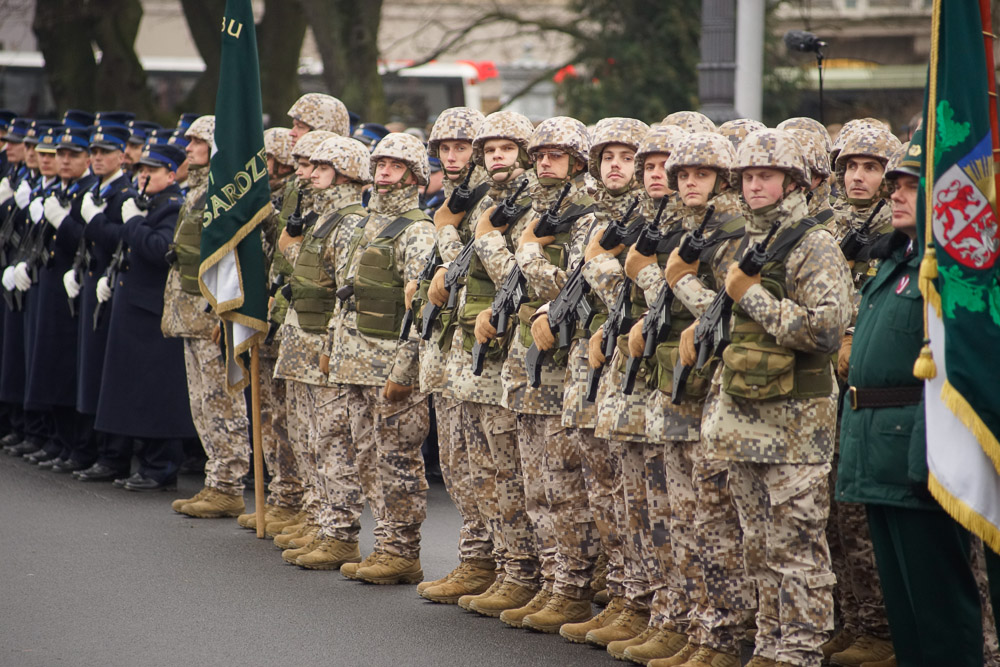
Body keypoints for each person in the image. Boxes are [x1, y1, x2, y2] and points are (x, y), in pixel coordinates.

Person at [689, 129, 852, 667]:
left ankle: (800, 651)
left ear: (793, 182)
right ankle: (769, 643)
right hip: (742, 419)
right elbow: (725, 316)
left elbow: (827, 331)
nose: (756, 185)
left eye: (767, 176)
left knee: (796, 547)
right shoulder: (746, 243)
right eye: (749, 177)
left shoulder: (813, 243)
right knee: (757, 544)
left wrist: (752, 295)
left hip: (797, 425)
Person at [836, 139, 985, 667]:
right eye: (895, 184)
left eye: (909, 184)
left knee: (939, 606)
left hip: (920, 453)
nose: (897, 194)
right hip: (880, 451)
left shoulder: (951, 269)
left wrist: (929, 451)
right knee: (905, 614)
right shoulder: (898, 261)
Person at [335, 132, 435, 585]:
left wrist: (406, 369)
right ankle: (385, 544)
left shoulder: (417, 231)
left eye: (395, 167)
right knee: (368, 456)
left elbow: (420, 307)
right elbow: (347, 296)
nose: (383, 174)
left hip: (391, 366)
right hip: (356, 360)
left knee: (398, 459)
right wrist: (334, 352)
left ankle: (402, 550)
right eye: (380, 165)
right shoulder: (364, 225)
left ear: (414, 177)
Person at [411, 106, 498, 603]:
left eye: (462, 147)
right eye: (444, 148)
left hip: (478, 351)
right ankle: (474, 559)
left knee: (485, 468)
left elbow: (474, 268)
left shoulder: (489, 200)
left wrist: (445, 229)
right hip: (449, 350)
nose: (452, 156)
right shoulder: (453, 198)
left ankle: (496, 565)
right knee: (458, 465)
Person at [273, 135, 370, 570]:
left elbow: (344, 288)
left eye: (322, 169)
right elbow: (310, 275)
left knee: (332, 441)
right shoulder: (323, 218)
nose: (310, 175)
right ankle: (320, 519)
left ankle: (339, 533)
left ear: (347, 175)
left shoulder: (349, 221)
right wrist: (292, 243)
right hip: (304, 337)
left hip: (324, 343)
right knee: (310, 437)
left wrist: (333, 344)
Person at [93, 142, 196, 491]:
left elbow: (159, 250)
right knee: (135, 390)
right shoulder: (149, 203)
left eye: (152, 170)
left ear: (171, 174)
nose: (144, 175)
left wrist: (135, 222)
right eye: (141, 170)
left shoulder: (172, 207)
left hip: (154, 311)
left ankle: (160, 467)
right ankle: (138, 462)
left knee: (158, 394)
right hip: (135, 306)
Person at [161, 115, 251, 515]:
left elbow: (232, 260)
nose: (187, 148)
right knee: (202, 402)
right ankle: (217, 478)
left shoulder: (220, 193)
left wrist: (223, 313)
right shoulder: (196, 190)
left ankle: (229, 482)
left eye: (196, 142)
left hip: (209, 315)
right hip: (189, 314)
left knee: (221, 401)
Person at [62, 123, 137, 481]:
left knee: (109, 376)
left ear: (122, 156)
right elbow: (83, 240)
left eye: (104, 153)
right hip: (91, 282)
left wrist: (92, 221)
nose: (96, 159)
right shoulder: (94, 189)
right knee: (88, 371)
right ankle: (88, 448)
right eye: (93, 153)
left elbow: (121, 238)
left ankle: (112, 454)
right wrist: (77, 268)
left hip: (110, 286)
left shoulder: (125, 193)